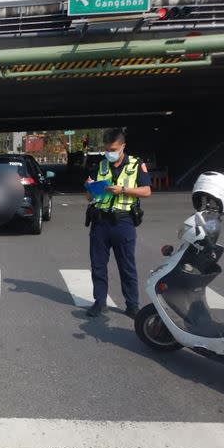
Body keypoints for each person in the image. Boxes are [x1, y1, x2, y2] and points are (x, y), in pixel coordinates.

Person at [85, 128, 152, 318]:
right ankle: (100, 303)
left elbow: (147, 191)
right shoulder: (100, 165)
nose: (110, 152)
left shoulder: (136, 164)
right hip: (100, 221)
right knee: (98, 265)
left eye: (113, 149)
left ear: (123, 146)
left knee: (127, 266)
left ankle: (132, 304)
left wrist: (122, 189)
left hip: (123, 222)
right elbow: (89, 197)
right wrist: (89, 187)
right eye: (107, 149)